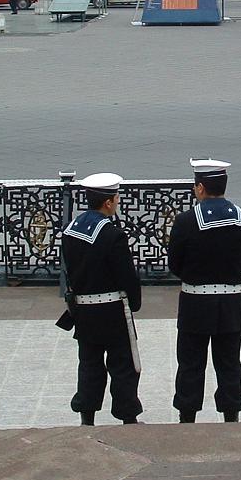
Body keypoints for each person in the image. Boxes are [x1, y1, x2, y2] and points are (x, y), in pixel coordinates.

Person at [169, 159, 241, 424]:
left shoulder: (185, 221)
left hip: (195, 304)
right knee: (229, 364)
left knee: (190, 365)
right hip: (231, 303)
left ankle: (187, 418)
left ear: (200, 188)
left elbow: (175, 264)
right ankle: (231, 417)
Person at [57, 173, 142, 426]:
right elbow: (126, 275)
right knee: (123, 365)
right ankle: (127, 416)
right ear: (108, 202)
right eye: (116, 198)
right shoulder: (112, 235)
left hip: (84, 311)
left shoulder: (70, 230)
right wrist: (135, 302)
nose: (117, 202)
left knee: (89, 365)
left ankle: (87, 416)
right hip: (113, 310)